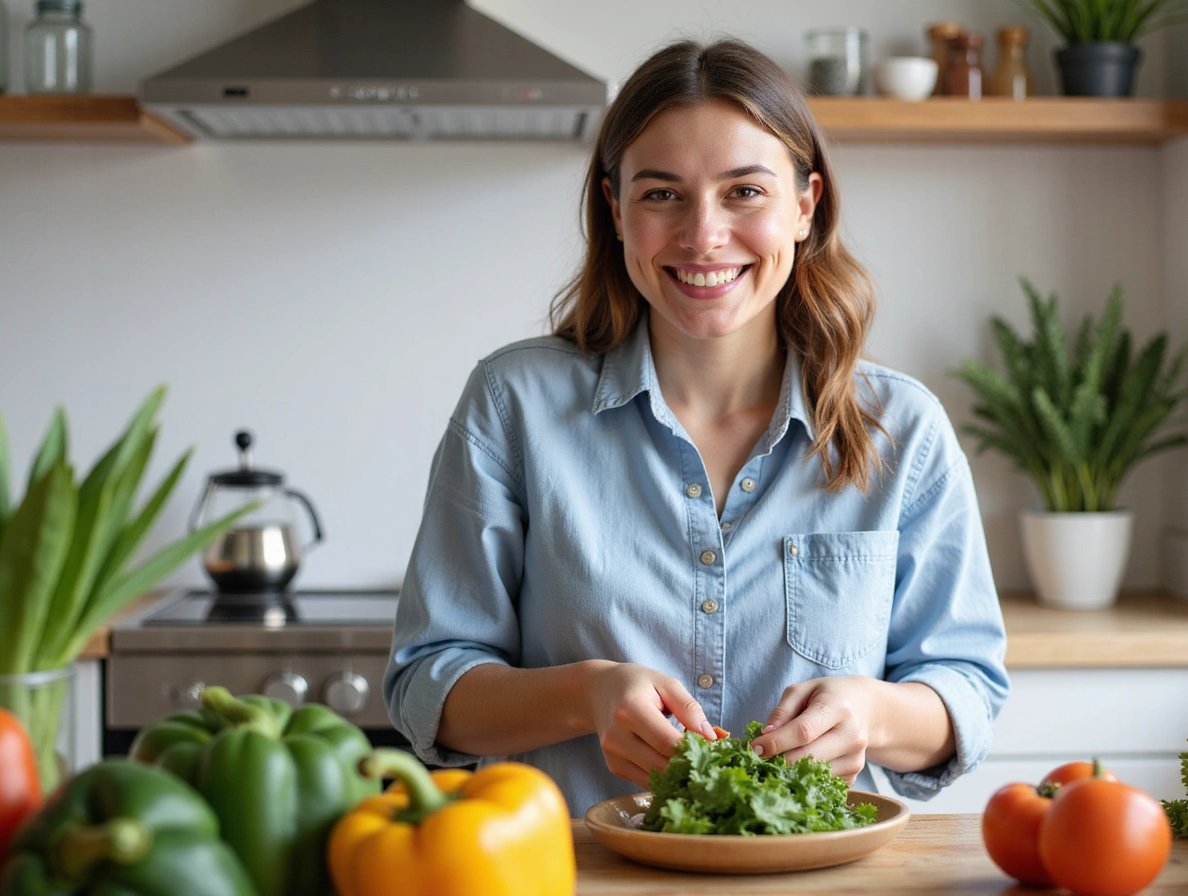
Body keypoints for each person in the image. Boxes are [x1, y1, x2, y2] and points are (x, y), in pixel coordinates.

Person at [383, 37, 1009, 817]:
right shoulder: (513, 405)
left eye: (744, 191)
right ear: (615, 209)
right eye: (661, 194)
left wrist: (872, 715)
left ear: (806, 205)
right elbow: (428, 682)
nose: (703, 234)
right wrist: (589, 695)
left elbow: (967, 689)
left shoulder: (901, 429)